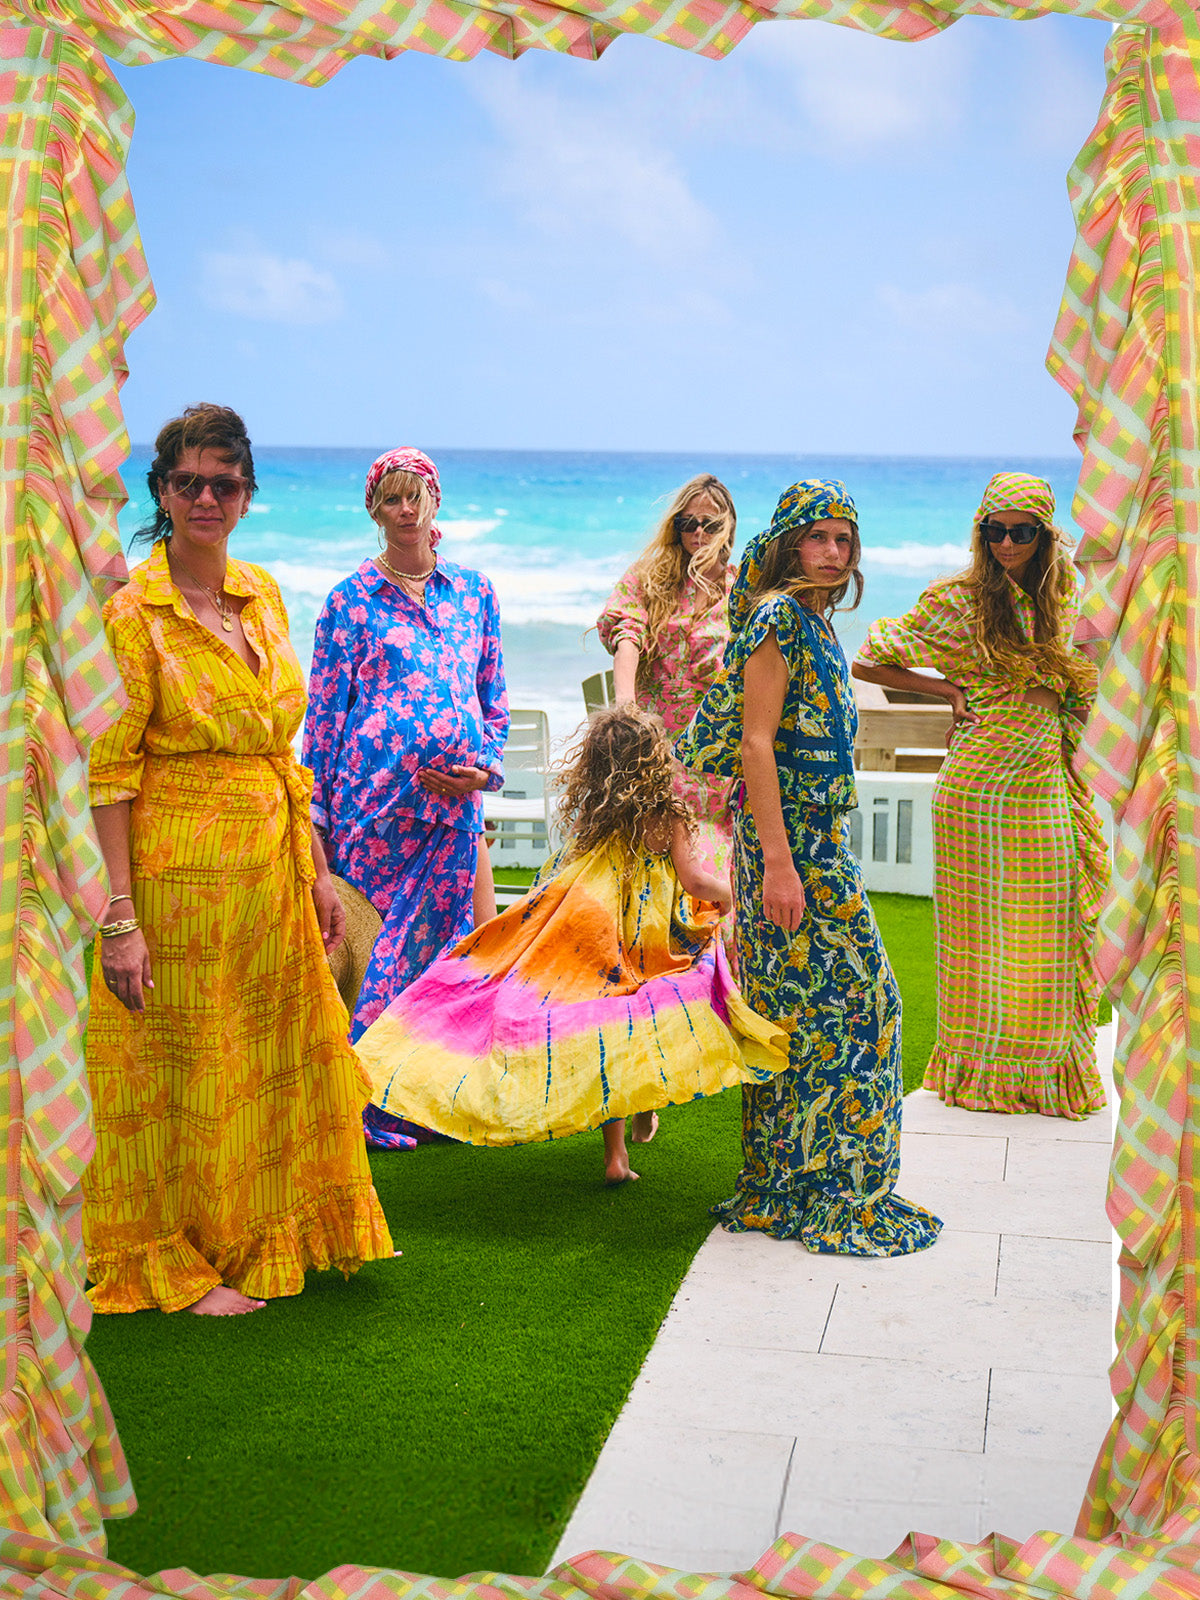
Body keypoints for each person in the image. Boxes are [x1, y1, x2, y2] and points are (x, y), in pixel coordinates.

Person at [84, 403, 394, 1317]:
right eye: (188, 482)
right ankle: (178, 1262)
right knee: (182, 1071)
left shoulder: (262, 594)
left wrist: (317, 873)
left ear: (248, 496)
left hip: (270, 874)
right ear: (161, 493)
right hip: (176, 881)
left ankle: (263, 1234)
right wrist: (119, 918)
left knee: (263, 1062)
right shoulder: (133, 615)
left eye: (224, 483)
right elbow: (109, 775)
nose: (206, 498)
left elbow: (281, 756)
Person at [352, 706, 788, 1185]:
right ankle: (642, 1111)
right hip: (651, 941)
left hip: (595, 937)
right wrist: (732, 895)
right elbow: (695, 881)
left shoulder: (596, 816)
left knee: (604, 1026)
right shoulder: (668, 816)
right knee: (642, 1022)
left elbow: (567, 872)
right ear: (655, 762)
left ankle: (616, 1156)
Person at [676, 479, 942, 1255]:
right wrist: (780, 865)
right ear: (791, 542)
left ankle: (809, 1182)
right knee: (867, 1006)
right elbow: (756, 744)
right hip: (792, 847)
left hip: (816, 840)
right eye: (819, 537)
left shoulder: (816, 623)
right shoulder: (779, 619)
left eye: (844, 539)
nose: (833, 551)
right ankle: (825, 1189)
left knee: (817, 1014)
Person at [853, 471, 1107, 1119]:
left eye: (1022, 532)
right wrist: (947, 691)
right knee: (976, 945)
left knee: (1052, 928)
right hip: (976, 786)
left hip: (1042, 777)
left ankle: (1046, 1072)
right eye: (995, 530)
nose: (1007, 543)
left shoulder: (1068, 594)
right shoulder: (959, 600)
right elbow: (867, 657)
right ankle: (980, 1073)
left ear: (1046, 535)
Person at [301, 448, 509, 1150]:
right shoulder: (349, 600)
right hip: (373, 814)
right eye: (392, 498)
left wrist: (484, 773)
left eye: (416, 495)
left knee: (442, 959)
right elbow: (324, 719)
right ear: (375, 510)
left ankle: (430, 1101)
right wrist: (315, 825)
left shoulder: (475, 593)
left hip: (454, 814)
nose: (406, 509)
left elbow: (493, 704)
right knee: (378, 959)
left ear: (436, 501)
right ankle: (367, 1100)